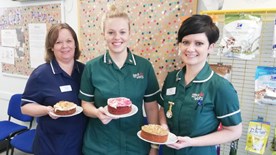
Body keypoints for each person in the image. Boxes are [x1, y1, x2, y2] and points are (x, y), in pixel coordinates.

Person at [78, 4, 160, 155]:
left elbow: (151, 107)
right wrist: (97, 112)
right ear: (103, 34)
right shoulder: (91, 67)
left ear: (129, 33)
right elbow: (85, 104)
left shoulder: (144, 67)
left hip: (135, 145)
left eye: (122, 32)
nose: (117, 38)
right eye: (111, 32)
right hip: (99, 146)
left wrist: (154, 146)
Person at [158, 14, 242, 155]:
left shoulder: (220, 87)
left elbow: (234, 131)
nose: (190, 49)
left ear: (211, 47)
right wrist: (164, 126)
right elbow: (163, 108)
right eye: (185, 42)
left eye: (199, 43)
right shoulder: (172, 78)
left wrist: (192, 142)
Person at [21, 23, 87, 155]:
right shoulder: (41, 74)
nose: (65, 46)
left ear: (75, 44)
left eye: (69, 41)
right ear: (51, 47)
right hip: (52, 146)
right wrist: (47, 110)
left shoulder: (84, 71)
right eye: (58, 42)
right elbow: (25, 107)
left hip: (81, 143)